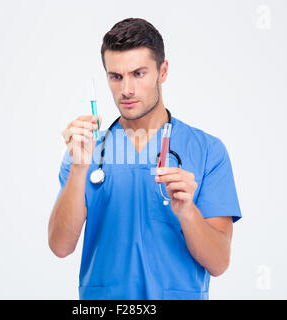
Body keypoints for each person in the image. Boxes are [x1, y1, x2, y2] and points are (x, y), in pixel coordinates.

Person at [48, 17, 242, 300]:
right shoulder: (86, 150)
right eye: (116, 76)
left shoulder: (207, 150)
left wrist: (187, 211)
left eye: (138, 73)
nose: (126, 89)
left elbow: (219, 262)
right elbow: (60, 246)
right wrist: (79, 169)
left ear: (163, 71)